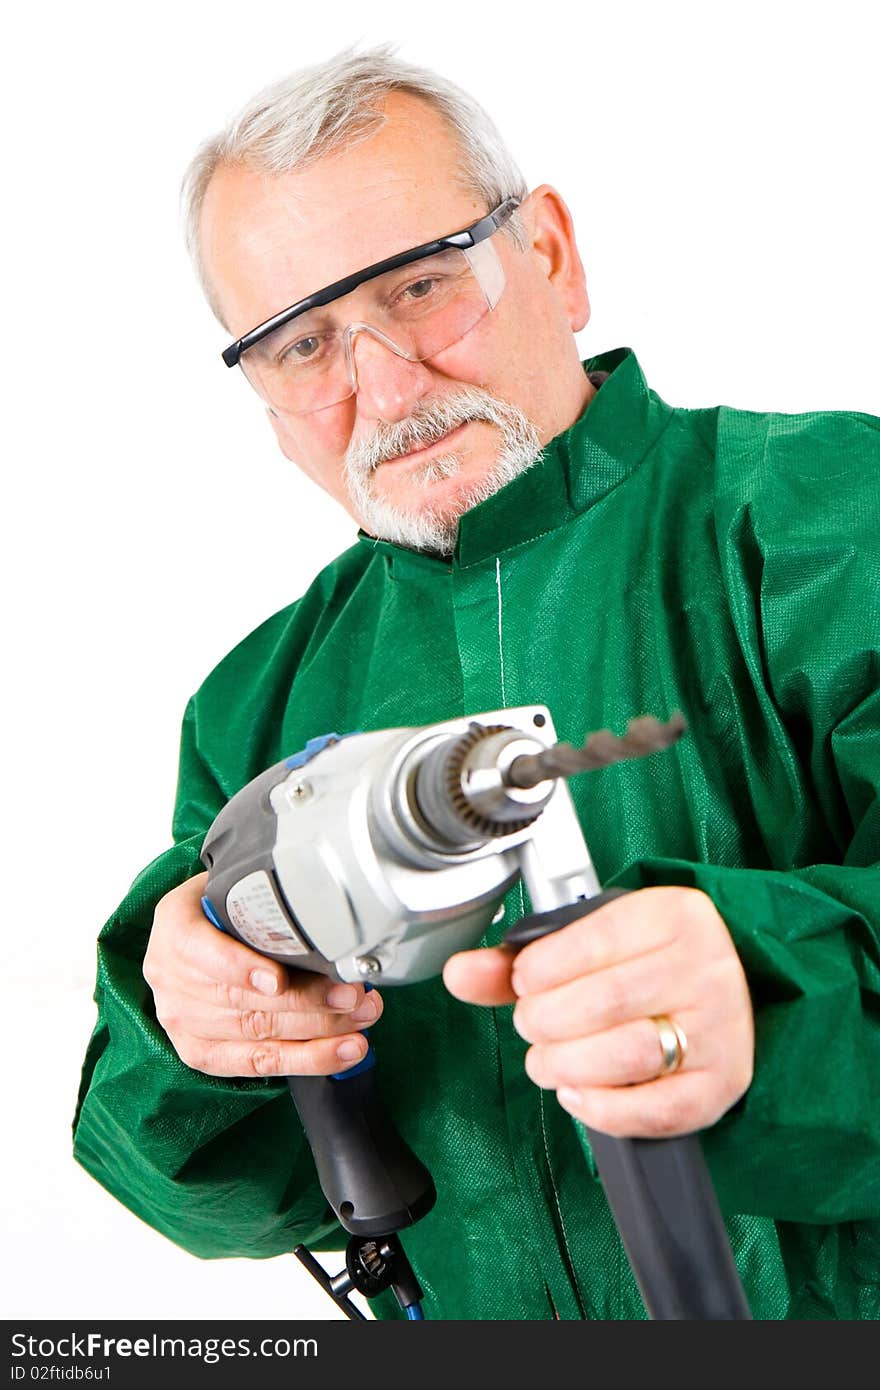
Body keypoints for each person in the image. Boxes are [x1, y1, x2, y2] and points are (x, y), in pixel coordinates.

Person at [72, 44, 880, 1320]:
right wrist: (197, 1027)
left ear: (549, 255)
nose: (384, 386)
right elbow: (211, 1192)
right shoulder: (257, 704)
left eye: (422, 287)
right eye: (301, 345)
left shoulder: (835, 520)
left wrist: (780, 1007)